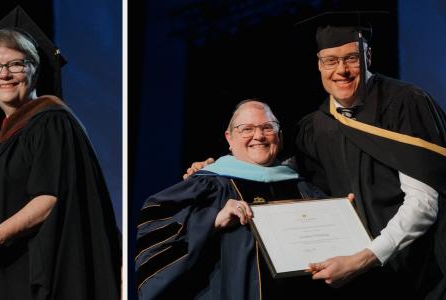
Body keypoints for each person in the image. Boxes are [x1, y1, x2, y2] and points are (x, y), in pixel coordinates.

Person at [292, 11, 446, 299]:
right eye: (331, 60)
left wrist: (363, 258)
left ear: (367, 57)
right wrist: (215, 171)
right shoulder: (313, 127)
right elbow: (295, 187)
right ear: (319, 64)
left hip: (429, 270)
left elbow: (424, 203)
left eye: (351, 58)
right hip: (368, 281)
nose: (341, 70)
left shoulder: (405, 104)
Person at [0, 8, 121, 300]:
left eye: (15, 64)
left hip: (33, 274)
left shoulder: (51, 121)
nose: (3, 74)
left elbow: (49, 198)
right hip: (4, 271)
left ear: (34, 69)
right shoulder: (7, 137)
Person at [138, 100, 334, 299]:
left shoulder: (304, 188)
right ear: (229, 139)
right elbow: (155, 236)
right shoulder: (207, 185)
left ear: (280, 137)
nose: (258, 136)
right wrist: (212, 221)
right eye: (246, 129)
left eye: (267, 127)